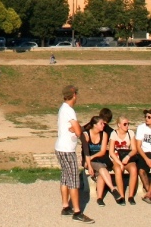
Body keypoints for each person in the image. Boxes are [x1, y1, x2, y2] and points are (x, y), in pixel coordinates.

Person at [55, 85, 94, 223]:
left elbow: (75, 129)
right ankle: (77, 211)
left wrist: (79, 127)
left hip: (61, 148)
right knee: (73, 181)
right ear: (74, 95)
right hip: (67, 150)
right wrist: (78, 128)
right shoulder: (69, 110)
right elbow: (78, 132)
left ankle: (66, 206)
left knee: (65, 177)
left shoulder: (63, 108)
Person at [83, 116, 121, 207]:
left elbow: (102, 151)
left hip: (99, 158)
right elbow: (85, 152)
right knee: (102, 168)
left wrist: (92, 157)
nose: (104, 125)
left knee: (101, 171)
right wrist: (89, 163)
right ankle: (113, 189)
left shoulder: (104, 134)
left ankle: (99, 198)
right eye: (101, 123)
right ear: (95, 125)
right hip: (88, 159)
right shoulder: (86, 134)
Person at [109, 116, 139, 205]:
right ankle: (122, 195)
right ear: (119, 125)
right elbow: (111, 152)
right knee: (118, 169)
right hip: (116, 158)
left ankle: (131, 196)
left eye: (128, 124)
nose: (127, 126)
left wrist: (128, 157)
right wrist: (119, 163)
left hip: (126, 157)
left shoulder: (131, 133)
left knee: (133, 169)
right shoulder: (114, 133)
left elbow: (134, 149)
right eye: (125, 124)